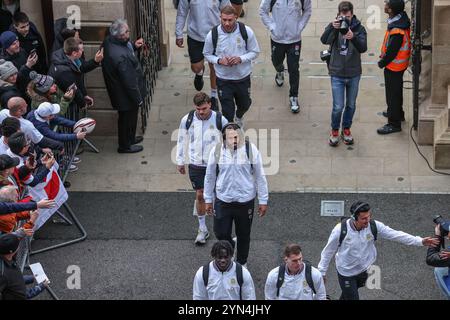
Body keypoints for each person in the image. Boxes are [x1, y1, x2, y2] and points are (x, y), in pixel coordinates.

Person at [318, 201, 439, 300]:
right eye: (364, 218)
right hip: (346, 273)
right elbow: (328, 251)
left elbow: (396, 234)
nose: (368, 220)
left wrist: (420, 241)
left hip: (365, 269)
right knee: (352, 296)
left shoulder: (373, 226)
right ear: (354, 218)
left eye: (369, 216)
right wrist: (322, 272)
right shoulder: (340, 230)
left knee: (349, 294)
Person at [204, 123, 268, 267]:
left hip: (245, 201)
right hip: (223, 200)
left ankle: (242, 262)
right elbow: (210, 176)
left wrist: (263, 200)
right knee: (221, 233)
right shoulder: (217, 151)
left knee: (244, 234)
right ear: (224, 138)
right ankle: (230, 248)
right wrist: (208, 199)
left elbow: (260, 176)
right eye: (230, 137)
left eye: (237, 136)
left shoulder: (250, 150)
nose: (234, 140)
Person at [176, 92, 228, 245]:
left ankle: (222, 229)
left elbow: (230, 139)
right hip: (196, 164)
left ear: (210, 104)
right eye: (198, 109)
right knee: (200, 195)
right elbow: (181, 139)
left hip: (216, 164)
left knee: (219, 195)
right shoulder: (187, 120)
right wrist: (180, 161)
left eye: (204, 108)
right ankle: (202, 228)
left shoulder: (220, 119)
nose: (201, 112)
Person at [203, 5, 260, 127]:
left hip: (242, 78)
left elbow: (255, 52)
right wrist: (219, 61)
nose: (227, 23)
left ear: (236, 17)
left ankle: (239, 116)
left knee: (245, 104)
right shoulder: (212, 34)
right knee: (227, 111)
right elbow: (207, 54)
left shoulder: (246, 31)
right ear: (220, 18)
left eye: (230, 20)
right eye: (224, 20)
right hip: (224, 80)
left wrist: (240, 59)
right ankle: (230, 130)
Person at [320, 1, 367, 147]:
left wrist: (353, 36)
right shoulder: (335, 26)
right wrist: (331, 27)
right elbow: (323, 40)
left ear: (352, 14)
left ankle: (346, 129)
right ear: (339, 15)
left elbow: (363, 48)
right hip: (337, 73)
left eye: (347, 16)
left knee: (351, 105)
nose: (345, 19)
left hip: (353, 73)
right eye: (342, 16)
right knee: (338, 106)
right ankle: (335, 130)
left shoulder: (359, 28)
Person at [102, 19, 148, 154]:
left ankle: (130, 138)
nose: (129, 33)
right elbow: (129, 81)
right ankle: (125, 145)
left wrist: (134, 45)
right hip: (124, 94)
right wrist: (138, 98)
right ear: (120, 35)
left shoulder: (110, 41)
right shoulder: (120, 57)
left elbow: (124, 49)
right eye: (127, 31)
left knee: (130, 118)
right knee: (126, 119)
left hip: (120, 91)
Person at [175, 0, 231, 110]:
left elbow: (228, 11)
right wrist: (178, 34)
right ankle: (199, 73)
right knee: (196, 67)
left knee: (214, 67)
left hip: (215, 36)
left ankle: (214, 97)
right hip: (195, 36)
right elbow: (182, 12)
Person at [259, 0, 312, 113]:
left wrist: (300, 27)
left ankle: (294, 97)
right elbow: (262, 11)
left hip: (294, 40)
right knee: (276, 61)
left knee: (293, 68)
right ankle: (279, 71)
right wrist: (272, 27)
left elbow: (307, 10)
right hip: (277, 39)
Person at [377, 0, 411, 135]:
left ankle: (394, 123)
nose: (385, 5)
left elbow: (392, 51)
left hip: (394, 66)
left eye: (387, 4)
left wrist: (382, 63)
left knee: (392, 95)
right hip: (399, 65)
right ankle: (397, 113)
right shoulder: (400, 18)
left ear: (390, 10)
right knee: (396, 92)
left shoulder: (397, 30)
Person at [49, 37, 103, 112]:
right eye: (81, 49)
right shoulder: (64, 71)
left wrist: (95, 61)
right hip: (64, 105)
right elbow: (74, 90)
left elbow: (81, 69)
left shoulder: (69, 56)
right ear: (74, 53)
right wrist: (83, 104)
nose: (83, 50)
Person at [0, 233, 49, 300]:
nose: (19, 246)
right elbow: (21, 295)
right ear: (11, 251)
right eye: (18, 245)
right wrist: (40, 287)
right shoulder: (4, 273)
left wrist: (31, 278)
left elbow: (14, 281)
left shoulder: (7, 260)